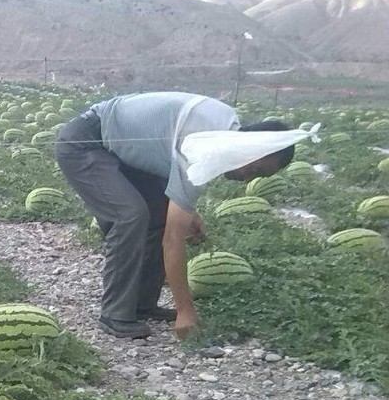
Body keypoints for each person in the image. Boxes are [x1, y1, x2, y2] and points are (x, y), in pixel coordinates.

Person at [55, 92, 296, 340]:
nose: (248, 178)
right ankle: (114, 313)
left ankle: (141, 303)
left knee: (159, 214)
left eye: (259, 176)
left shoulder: (225, 127)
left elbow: (167, 157)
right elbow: (172, 240)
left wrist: (189, 212)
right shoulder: (202, 147)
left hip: (119, 150)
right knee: (129, 216)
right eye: (254, 168)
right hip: (85, 143)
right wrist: (185, 310)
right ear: (248, 147)